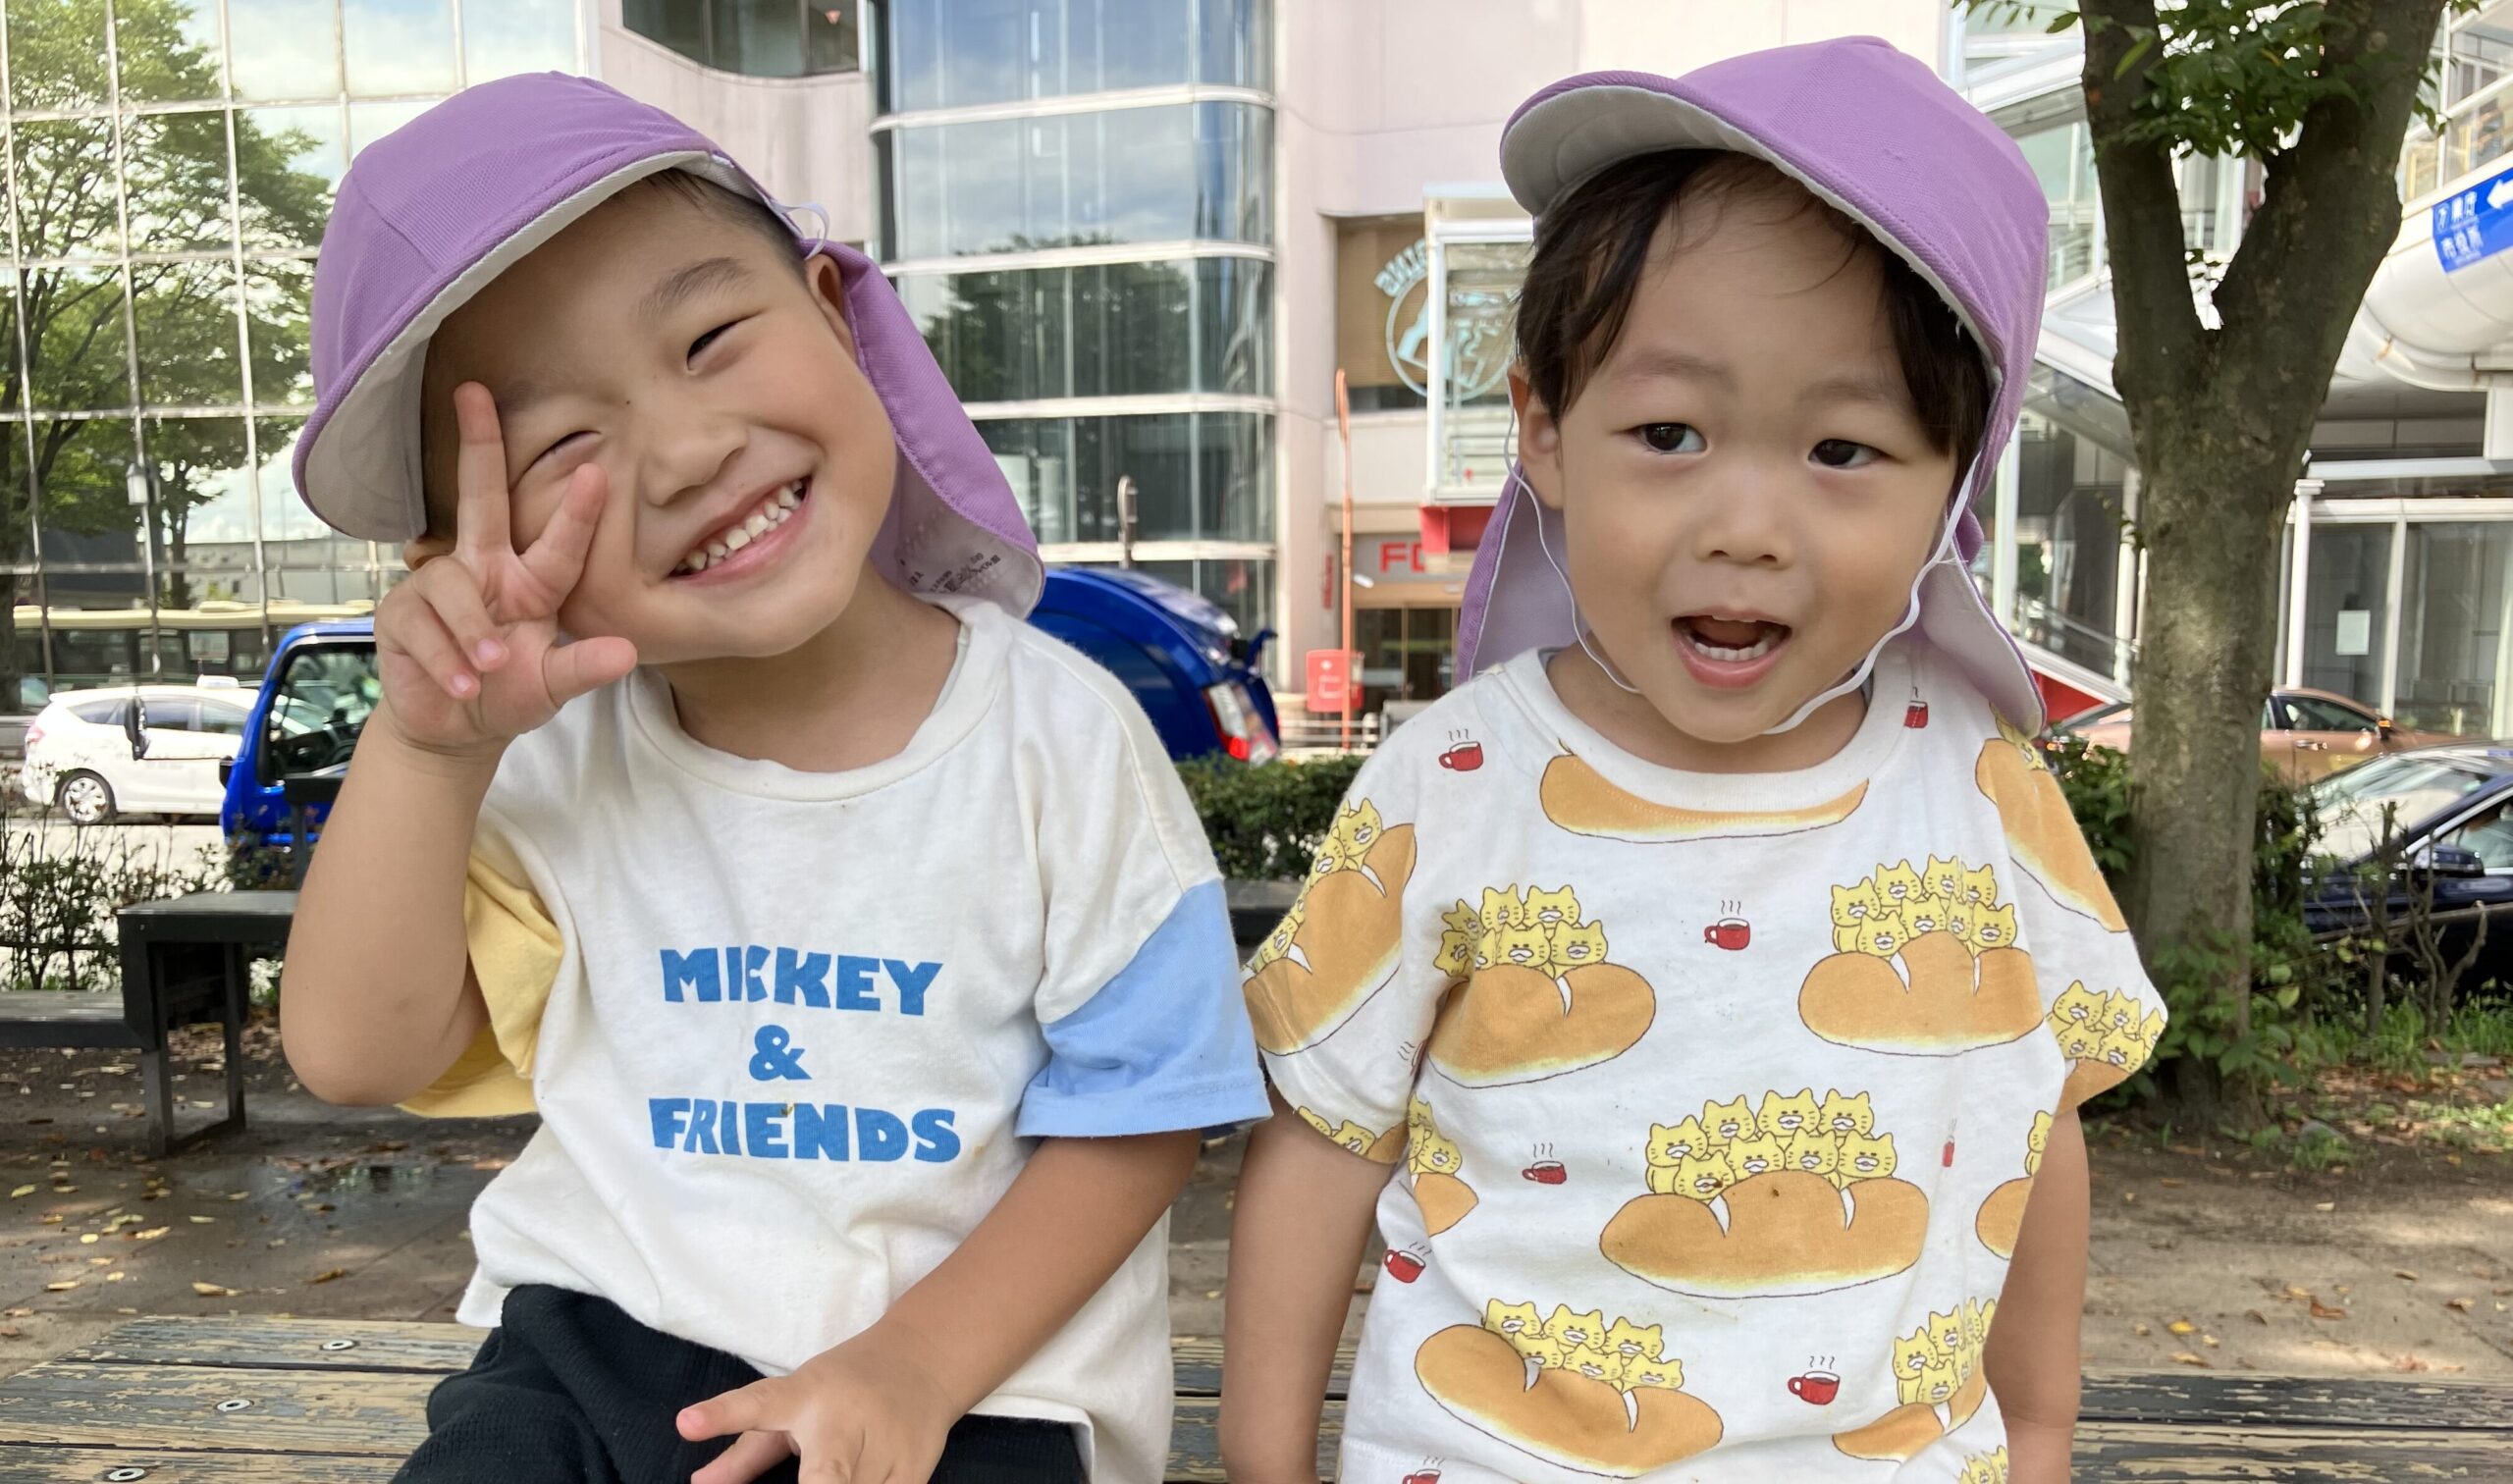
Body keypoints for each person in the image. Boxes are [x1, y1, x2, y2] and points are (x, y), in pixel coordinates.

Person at [277, 74, 1267, 1484]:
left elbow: (1144, 1116)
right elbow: (352, 1055)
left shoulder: (1058, 739)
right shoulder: (547, 762)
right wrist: (429, 748)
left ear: (832, 310)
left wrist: (914, 1367)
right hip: (596, 1353)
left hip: (973, 1384)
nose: (687, 453)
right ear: (462, 545)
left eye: (710, 339)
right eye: (562, 447)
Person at [1222, 38, 2164, 1484]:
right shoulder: (1451, 786)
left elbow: (2033, 1119)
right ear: (1544, 430)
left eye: (1842, 450)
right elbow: (1326, 1136)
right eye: (1669, 432)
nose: (1746, 528)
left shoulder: (1985, 788)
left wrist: (2038, 1428)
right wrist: (1262, 1459)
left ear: (1954, 481)